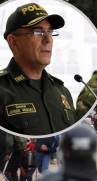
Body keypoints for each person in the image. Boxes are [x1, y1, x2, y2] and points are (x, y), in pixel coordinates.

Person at [0, 3, 76, 135]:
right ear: (13, 42)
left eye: (50, 32)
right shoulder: (2, 89)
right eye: (38, 32)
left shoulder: (62, 92)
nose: (48, 39)